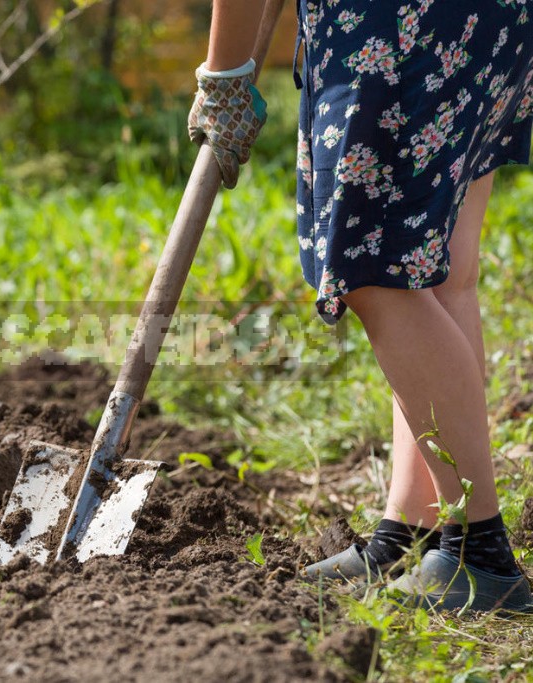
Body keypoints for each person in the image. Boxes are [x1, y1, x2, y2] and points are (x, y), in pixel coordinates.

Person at [189, 0, 533, 612]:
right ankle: (418, 529)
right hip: (485, 21)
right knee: (440, 270)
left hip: (396, 27)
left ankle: (480, 553)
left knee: (375, 271)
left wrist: (223, 76)